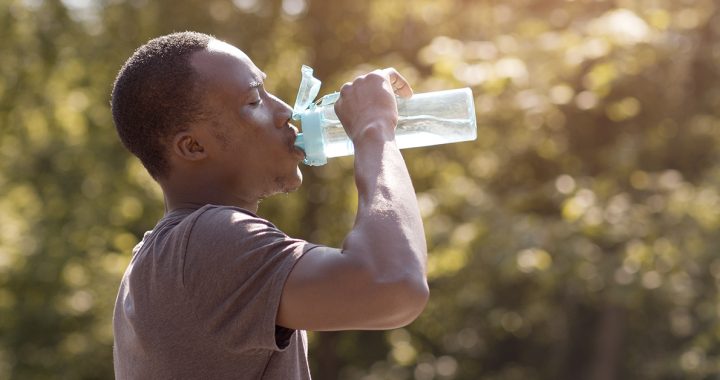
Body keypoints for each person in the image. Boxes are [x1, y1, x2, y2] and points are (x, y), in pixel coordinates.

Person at [110, 31, 429, 379]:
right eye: (253, 101)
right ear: (193, 147)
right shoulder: (205, 243)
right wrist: (374, 130)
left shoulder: (160, 258)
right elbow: (394, 285)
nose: (285, 111)